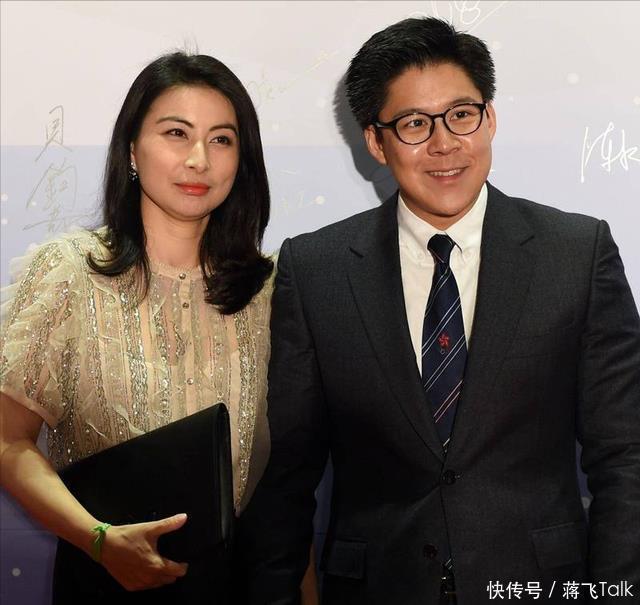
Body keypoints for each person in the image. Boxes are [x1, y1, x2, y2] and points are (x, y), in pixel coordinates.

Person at [238, 17, 640, 605]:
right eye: (414, 124)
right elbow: (286, 478)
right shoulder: (316, 270)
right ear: (376, 142)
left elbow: (625, 455)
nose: (444, 143)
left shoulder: (576, 254)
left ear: (490, 118)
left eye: (461, 115)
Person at [0, 51, 278, 597]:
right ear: (132, 149)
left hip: (239, 584)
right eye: (177, 133)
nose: (199, 159)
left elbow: (290, 476)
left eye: (222, 140)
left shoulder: (271, 291)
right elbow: (8, 441)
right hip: (102, 575)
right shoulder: (68, 273)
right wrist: (100, 540)